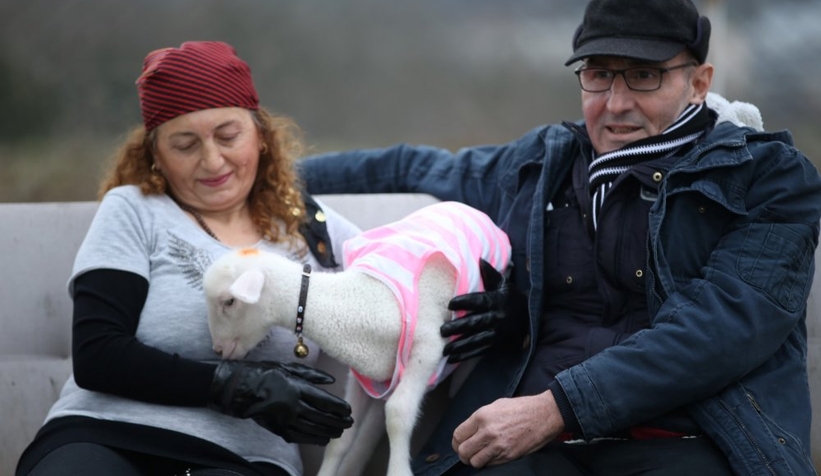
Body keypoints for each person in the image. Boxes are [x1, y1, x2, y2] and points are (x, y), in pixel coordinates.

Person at [297, 1, 821, 475]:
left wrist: (557, 408)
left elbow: (720, 329)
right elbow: (414, 168)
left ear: (699, 82)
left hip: (693, 439)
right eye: (598, 75)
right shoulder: (541, 165)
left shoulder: (768, 178)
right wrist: (266, 173)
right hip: (530, 446)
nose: (616, 104)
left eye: (644, 76)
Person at [16, 41, 358, 476]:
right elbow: (97, 353)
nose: (212, 160)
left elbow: (405, 275)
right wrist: (233, 386)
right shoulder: (135, 209)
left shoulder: (315, 230)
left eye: (228, 136)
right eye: (185, 145)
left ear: (262, 136)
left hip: (243, 459)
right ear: (155, 156)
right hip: (104, 436)